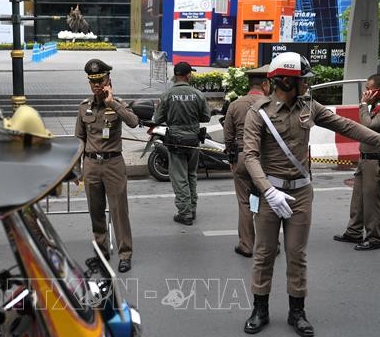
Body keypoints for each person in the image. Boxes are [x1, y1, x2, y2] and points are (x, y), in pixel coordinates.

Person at [241, 52, 380, 337]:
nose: (307, 86)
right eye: (303, 81)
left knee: (297, 255)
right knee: (263, 255)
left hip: (300, 193)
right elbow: (249, 156)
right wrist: (268, 190)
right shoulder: (258, 112)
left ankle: (296, 312)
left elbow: (348, 126)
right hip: (269, 195)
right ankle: (259, 309)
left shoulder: (309, 106)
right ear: (285, 81)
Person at [75, 59, 139, 273]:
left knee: (119, 211)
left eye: (100, 80)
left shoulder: (117, 103)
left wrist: (112, 103)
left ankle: (125, 254)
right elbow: (79, 140)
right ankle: (101, 251)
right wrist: (77, 168)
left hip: (113, 164)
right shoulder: (84, 107)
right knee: (96, 211)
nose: (97, 85)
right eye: (93, 82)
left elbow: (133, 122)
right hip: (91, 164)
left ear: (109, 80)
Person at [334, 74, 380, 251]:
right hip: (365, 159)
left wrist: (363, 105)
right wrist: (367, 106)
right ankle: (354, 231)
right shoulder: (375, 106)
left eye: (369, 88)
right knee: (358, 199)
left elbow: (368, 127)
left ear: (379, 90)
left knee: (372, 201)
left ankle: (374, 237)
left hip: (378, 161)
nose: (366, 92)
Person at [153, 62, 211, 225]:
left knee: (179, 178)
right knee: (191, 175)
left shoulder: (167, 95)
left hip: (176, 142)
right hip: (193, 141)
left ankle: (184, 212)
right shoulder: (197, 94)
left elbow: (157, 119)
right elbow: (206, 117)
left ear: (176, 75)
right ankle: (191, 209)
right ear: (188, 75)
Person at [223, 65, 271, 257]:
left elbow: (228, 137)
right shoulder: (271, 104)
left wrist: (232, 159)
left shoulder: (236, 105)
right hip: (265, 159)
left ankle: (246, 245)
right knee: (266, 202)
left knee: (244, 203)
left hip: (242, 157)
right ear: (266, 84)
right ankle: (268, 246)